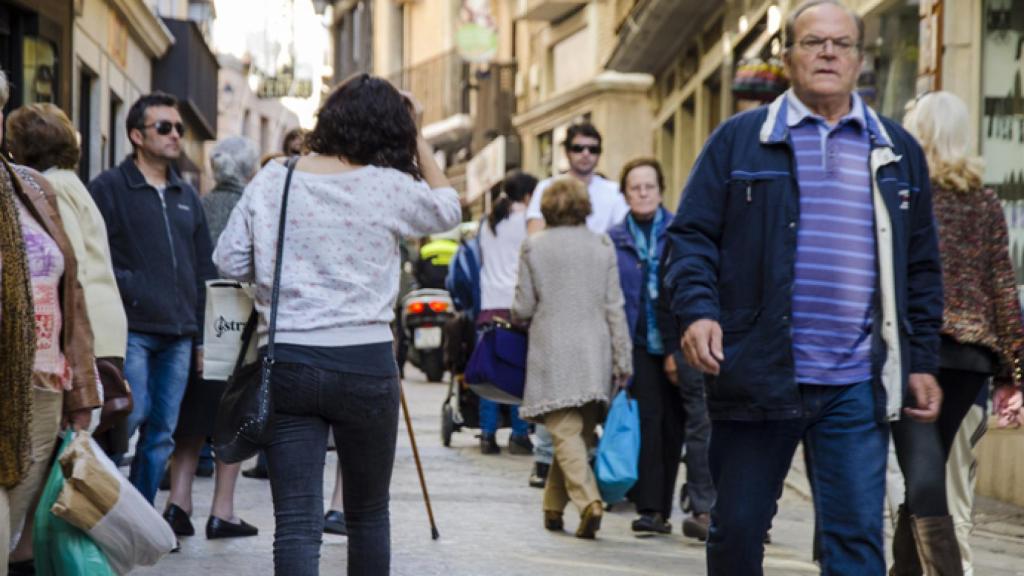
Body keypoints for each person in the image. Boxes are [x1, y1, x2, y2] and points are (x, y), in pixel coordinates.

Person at [663, 1, 944, 573]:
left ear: (860, 59)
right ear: (788, 56)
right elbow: (689, 238)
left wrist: (921, 361)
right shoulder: (739, 141)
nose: (828, 53)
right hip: (757, 370)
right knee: (736, 533)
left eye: (841, 44)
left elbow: (920, 265)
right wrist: (697, 312)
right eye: (813, 42)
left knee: (855, 541)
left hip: (857, 382)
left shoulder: (896, 150)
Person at [213, 73, 461, 575]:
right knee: (368, 514)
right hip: (366, 364)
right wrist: (416, 132)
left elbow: (229, 259)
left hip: (289, 360)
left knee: (297, 522)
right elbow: (448, 209)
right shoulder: (388, 185)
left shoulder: (275, 177)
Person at [890, 91, 1024, 574]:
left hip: (918, 349)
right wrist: (1014, 370)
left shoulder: (904, 195)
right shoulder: (985, 200)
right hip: (971, 358)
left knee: (923, 473)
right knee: (923, 474)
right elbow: (1003, 288)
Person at [87, 92, 218, 505]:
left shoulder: (186, 195)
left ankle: (139, 517)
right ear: (136, 136)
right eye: (164, 127)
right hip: (133, 329)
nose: (175, 134)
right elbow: (92, 253)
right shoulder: (109, 188)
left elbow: (203, 270)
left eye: (178, 127)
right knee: (129, 416)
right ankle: (105, 509)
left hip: (179, 334)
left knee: (162, 432)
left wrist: (200, 339)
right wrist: (128, 288)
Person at [1, 68, 101, 573]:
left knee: (15, 531)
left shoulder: (31, 188)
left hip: (41, 386)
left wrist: (81, 393)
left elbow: (72, 290)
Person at [4, 103, 131, 457]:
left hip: (89, 330)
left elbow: (68, 264)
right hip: (107, 326)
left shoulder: (51, 188)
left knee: (82, 455)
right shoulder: (72, 182)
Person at [512, 177, 632, 540]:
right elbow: (615, 306)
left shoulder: (534, 246)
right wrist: (622, 360)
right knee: (575, 433)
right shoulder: (602, 245)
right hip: (596, 351)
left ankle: (589, 502)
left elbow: (523, 307)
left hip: (553, 350)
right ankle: (552, 509)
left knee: (564, 433)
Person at [160, 136, 261, 541]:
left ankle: (178, 503)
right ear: (249, 169)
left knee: (192, 417)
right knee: (232, 417)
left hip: (197, 319)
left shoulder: (197, 204)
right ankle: (222, 511)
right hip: (238, 320)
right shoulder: (253, 206)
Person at [524, 122, 629, 488]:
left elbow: (619, 244)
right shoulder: (544, 189)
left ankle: (583, 497)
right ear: (567, 151)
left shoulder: (613, 194)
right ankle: (555, 477)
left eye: (593, 148)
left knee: (574, 414)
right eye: (579, 147)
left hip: (592, 306)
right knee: (563, 409)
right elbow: (535, 238)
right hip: (558, 305)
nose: (586, 154)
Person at [608, 158, 679, 536]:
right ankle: (651, 508)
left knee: (678, 426)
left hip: (680, 340)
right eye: (635, 187)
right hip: (638, 342)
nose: (643, 193)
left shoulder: (680, 231)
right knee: (649, 423)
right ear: (625, 194)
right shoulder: (614, 239)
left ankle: (677, 501)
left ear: (661, 190)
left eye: (649, 186)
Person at [476, 171, 538, 455]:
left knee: (491, 371)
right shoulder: (527, 223)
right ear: (528, 196)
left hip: (488, 306)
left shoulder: (488, 224)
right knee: (517, 372)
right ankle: (519, 434)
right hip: (517, 306)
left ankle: (487, 435)